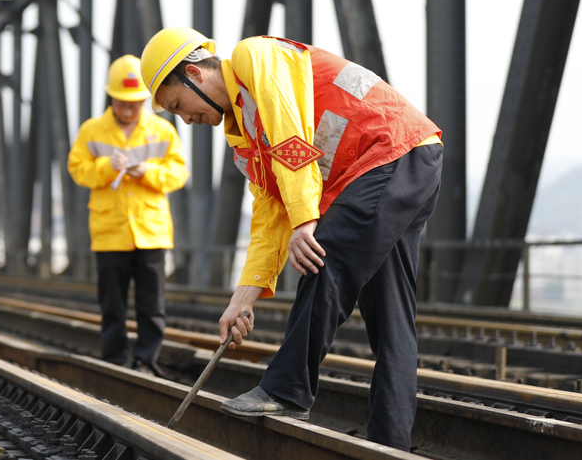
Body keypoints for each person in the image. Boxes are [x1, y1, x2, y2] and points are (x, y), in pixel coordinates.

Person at [140, 28, 442, 450]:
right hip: (402, 158)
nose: (186, 119)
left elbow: (287, 129)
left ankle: (286, 390)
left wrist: (305, 221)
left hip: (389, 148)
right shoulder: (243, 138)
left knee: (324, 256)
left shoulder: (251, 57)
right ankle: (389, 445)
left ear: (194, 74)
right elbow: (268, 217)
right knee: (392, 321)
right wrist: (241, 299)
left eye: (178, 105)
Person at [67, 54, 189, 376]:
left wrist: (147, 172)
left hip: (150, 231)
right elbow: (77, 170)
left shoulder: (162, 131)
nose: (128, 110)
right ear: (111, 98)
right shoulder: (92, 131)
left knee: (152, 306)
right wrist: (108, 167)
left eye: (135, 103)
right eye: (122, 103)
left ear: (145, 100)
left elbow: (178, 174)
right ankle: (115, 362)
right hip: (110, 232)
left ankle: (146, 361)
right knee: (113, 306)